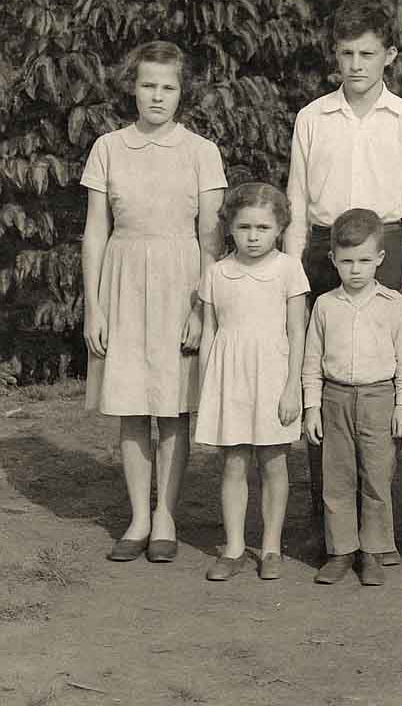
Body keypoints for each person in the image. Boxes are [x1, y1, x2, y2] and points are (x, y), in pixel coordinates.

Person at [283, 0, 402, 541]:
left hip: (386, 249)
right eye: (346, 53)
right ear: (335, 56)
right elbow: (297, 200)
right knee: (325, 380)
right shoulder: (313, 117)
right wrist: (296, 272)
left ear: (389, 54)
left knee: (377, 380)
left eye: (367, 52)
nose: (356, 64)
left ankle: (377, 520)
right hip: (326, 252)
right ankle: (329, 523)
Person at [81, 41, 226, 564]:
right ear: (132, 88)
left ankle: (166, 513)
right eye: (148, 85)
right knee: (132, 405)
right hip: (122, 281)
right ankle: (138, 517)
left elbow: (211, 237)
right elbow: (96, 231)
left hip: (180, 282)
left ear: (182, 91)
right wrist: (93, 307)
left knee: (172, 406)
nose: (157, 96)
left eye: (167, 86)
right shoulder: (109, 147)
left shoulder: (200, 151)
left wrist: (200, 307)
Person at [196, 183, 309, 581]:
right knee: (234, 462)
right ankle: (233, 547)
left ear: (279, 227)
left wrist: (293, 386)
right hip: (231, 379)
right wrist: (208, 387)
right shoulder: (217, 273)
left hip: (274, 375)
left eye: (263, 227)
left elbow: (298, 332)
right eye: (244, 227)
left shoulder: (288, 269)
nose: (254, 236)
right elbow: (209, 333)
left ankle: (273, 547)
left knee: (274, 462)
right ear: (229, 228)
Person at [302, 209, 402, 587]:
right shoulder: (325, 305)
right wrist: (312, 406)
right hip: (335, 398)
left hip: (379, 398)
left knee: (376, 477)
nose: (355, 270)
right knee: (337, 477)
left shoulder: (393, 303)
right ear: (333, 259)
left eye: (364, 260)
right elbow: (312, 361)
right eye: (347, 261)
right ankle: (341, 551)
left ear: (380, 259)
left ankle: (373, 551)